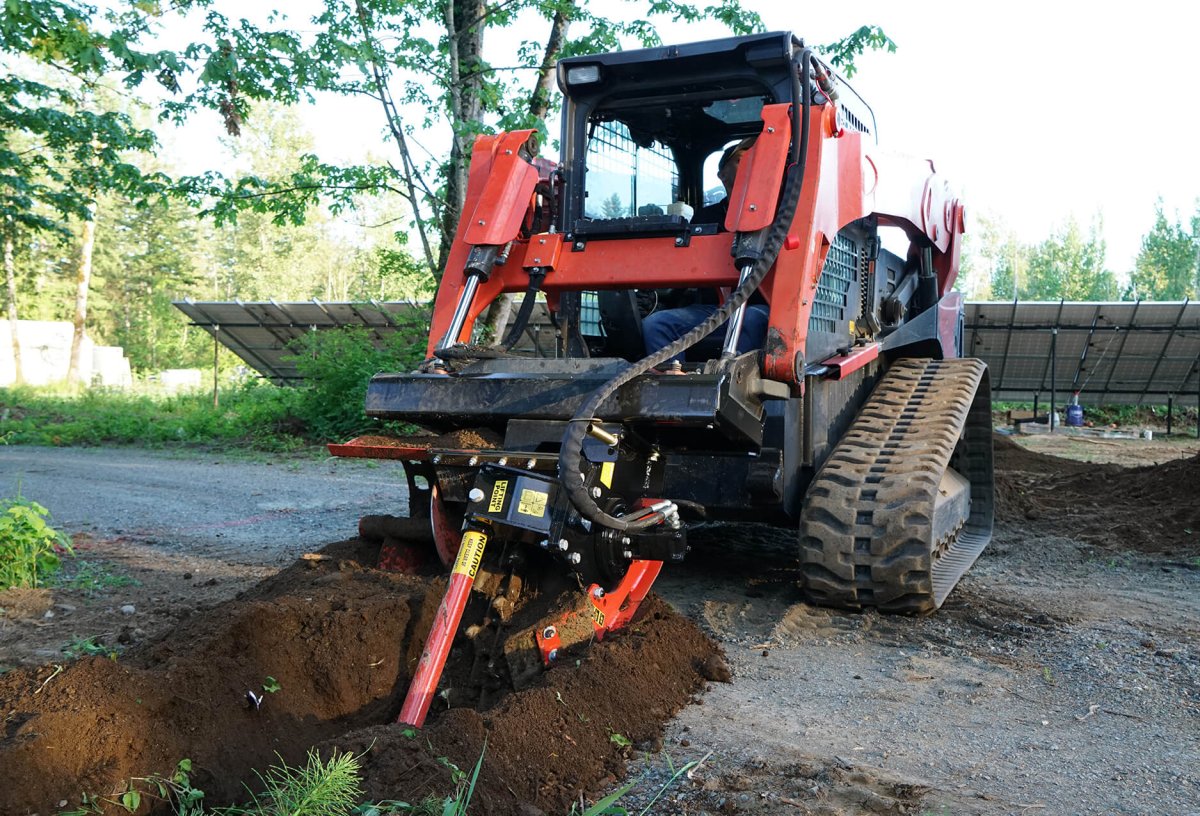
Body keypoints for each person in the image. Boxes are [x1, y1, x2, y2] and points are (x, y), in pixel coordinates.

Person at [642, 136, 769, 362]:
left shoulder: (777, 214)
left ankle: (740, 391)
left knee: (751, 321)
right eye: (741, 159)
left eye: (756, 160)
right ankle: (673, 389)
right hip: (714, 309)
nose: (750, 164)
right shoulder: (704, 217)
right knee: (656, 324)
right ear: (722, 175)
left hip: (761, 308)